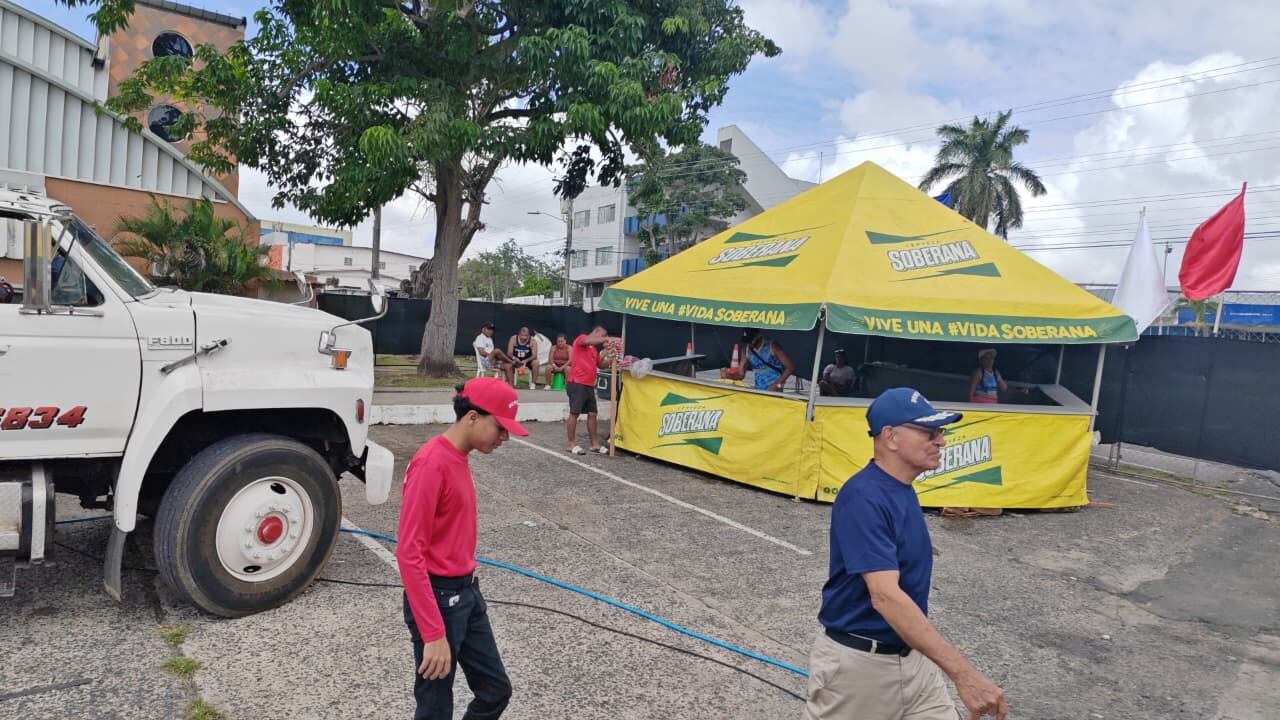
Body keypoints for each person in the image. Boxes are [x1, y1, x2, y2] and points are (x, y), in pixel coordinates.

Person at [806, 387, 1008, 720]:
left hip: (914, 662)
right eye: (929, 432)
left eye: (940, 432)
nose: (940, 441)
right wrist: (964, 675)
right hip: (859, 671)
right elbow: (885, 597)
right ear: (890, 437)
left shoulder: (900, 489)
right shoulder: (863, 497)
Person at [396, 378, 529, 720]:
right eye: (500, 428)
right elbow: (409, 553)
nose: (505, 438)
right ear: (472, 417)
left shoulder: (459, 457)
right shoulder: (431, 463)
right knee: (435, 709)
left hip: (468, 592)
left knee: (495, 691)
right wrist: (433, 633)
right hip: (439, 600)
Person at [565, 325, 610, 455]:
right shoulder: (582, 338)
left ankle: (594, 444)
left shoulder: (594, 350)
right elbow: (587, 340)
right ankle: (571, 444)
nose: (603, 339)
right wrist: (608, 339)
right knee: (574, 413)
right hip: (577, 383)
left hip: (589, 385)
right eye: (602, 336)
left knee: (592, 413)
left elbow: (601, 365)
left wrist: (610, 355)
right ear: (595, 332)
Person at [723, 329, 793, 392]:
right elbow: (741, 375)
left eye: (751, 340)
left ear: (758, 336)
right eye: (747, 341)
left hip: (774, 388)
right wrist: (729, 376)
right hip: (759, 389)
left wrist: (777, 384)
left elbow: (789, 367)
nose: (749, 343)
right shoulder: (746, 350)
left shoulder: (772, 346)